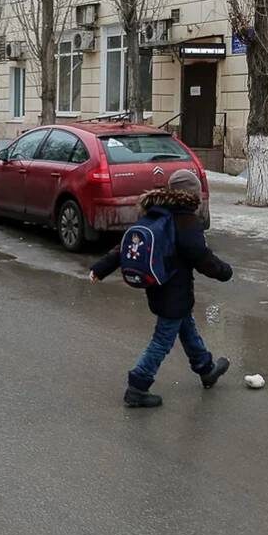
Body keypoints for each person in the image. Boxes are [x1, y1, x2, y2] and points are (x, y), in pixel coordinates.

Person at [90, 169, 233, 408]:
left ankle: (205, 368)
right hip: (173, 289)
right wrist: (224, 271)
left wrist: (101, 268)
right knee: (162, 340)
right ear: (192, 194)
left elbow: (126, 244)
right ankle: (137, 385)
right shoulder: (185, 220)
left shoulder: (156, 213)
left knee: (185, 326)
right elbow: (200, 255)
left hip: (158, 286)